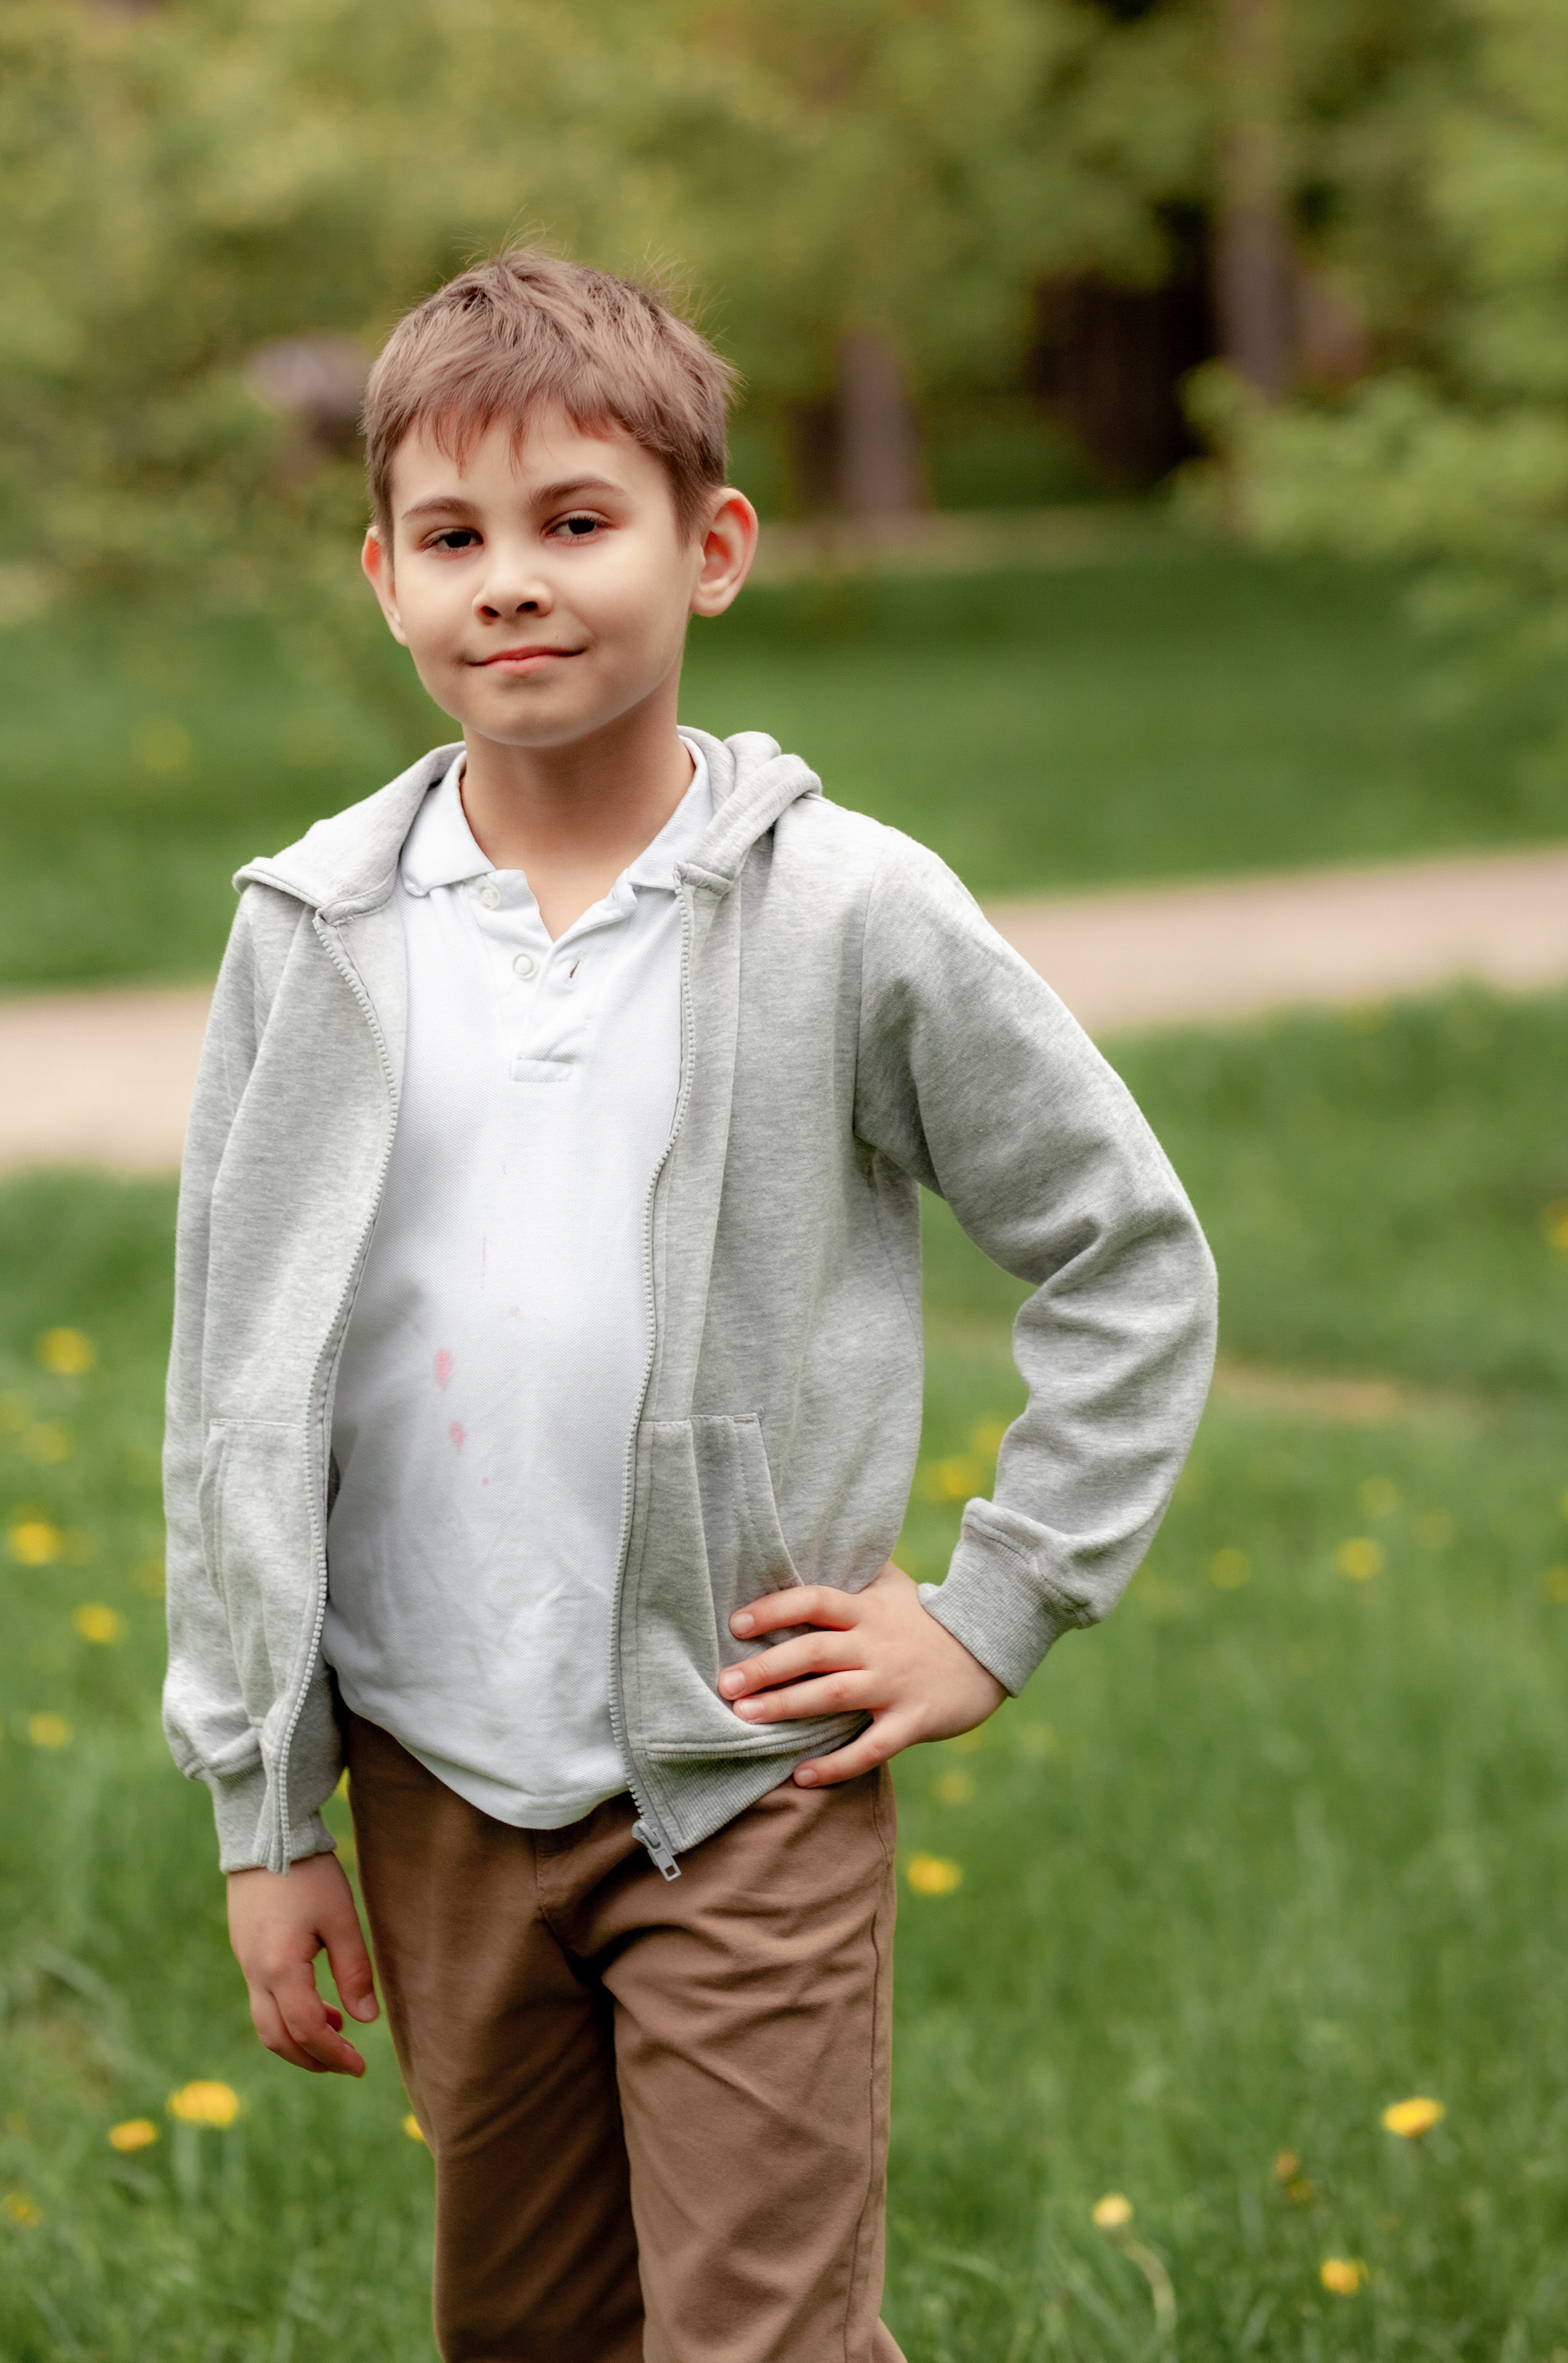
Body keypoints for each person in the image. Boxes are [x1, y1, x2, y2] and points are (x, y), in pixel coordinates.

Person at [161, 250, 1217, 2363]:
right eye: (452, 537)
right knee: (530, 2332)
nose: (512, 583)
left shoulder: (847, 913)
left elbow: (1128, 1251)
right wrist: (264, 1810)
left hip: (741, 1769)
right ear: (382, 578)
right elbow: (234, 1388)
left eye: (576, 521)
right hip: (435, 1773)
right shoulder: (315, 929)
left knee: (766, 2339)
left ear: (710, 548)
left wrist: (996, 1603)